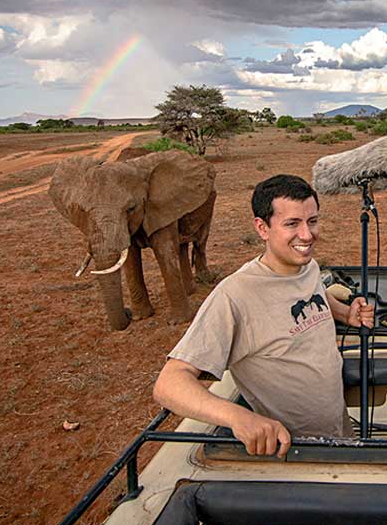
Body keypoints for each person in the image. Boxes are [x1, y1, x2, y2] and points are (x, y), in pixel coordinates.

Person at [153, 174, 374, 458]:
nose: (307, 235)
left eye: (312, 221)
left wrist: (344, 313)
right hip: (295, 454)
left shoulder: (307, 267)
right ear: (262, 228)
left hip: (338, 432)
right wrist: (239, 417)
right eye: (292, 224)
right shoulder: (235, 295)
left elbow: (312, 294)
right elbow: (169, 384)